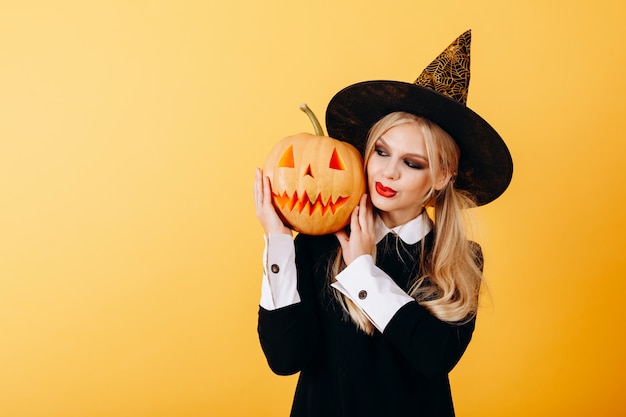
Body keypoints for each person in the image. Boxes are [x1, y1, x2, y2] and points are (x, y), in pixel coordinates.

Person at [253, 30, 513, 417]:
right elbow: (285, 358)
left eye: (412, 163)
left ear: (441, 177)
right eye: (382, 152)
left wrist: (362, 271)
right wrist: (278, 241)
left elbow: (434, 357)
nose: (388, 173)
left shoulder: (458, 262)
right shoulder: (317, 242)